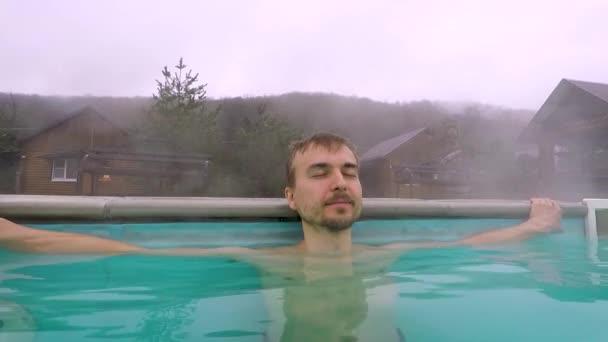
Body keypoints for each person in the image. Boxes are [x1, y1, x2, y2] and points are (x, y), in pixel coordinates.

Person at [0, 132, 562, 341]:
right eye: (320, 173)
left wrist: (533, 227)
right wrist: (15, 234)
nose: (340, 182)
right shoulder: (266, 262)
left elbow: (472, 248)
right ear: (291, 197)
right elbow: (133, 253)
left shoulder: (390, 255)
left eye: (349, 171)